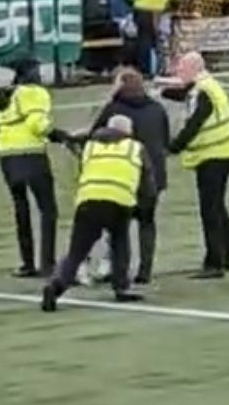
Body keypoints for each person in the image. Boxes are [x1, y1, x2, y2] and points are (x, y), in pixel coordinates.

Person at [41, 115, 153, 311]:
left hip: (88, 200)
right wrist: (144, 206)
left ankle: (56, 286)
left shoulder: (91, 146)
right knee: (120, 244)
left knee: (76, 252)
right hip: (119, 201)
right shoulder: (135, 147)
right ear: (128, 132)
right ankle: (121, 287)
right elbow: (147, 181)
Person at [80, 67, 170, 285]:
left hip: (123, 175)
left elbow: (96, 136)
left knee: (117, 225)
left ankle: (115, 268)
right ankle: (145, 270)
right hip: (153, 174)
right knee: (147, 223)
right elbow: (165, 140)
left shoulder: (114, 109)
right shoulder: (157, 109)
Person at [163, 51, 229, 278]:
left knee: (210, 209)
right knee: (218, 205)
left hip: (214, 154)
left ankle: (214, 262)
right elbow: (185, 95)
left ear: (193, 69)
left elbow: (195, 124)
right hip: (225, 150)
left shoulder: (203, 92)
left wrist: (172, 147)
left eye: (181, 69)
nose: (177, 73)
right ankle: (228, 254)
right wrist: (164, 91)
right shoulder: (206, 85)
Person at [0, 57, 58, 277]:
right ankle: (47, 263)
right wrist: (59, 135)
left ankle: (27, 262)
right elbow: (36, 124)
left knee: (22, 210)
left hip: (7, 156)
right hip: (31, 154)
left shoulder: (6, 95)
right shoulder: (34, 93)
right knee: (48, 209)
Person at [127, 0, 171, 77]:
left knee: (144, 40)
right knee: (155, 40)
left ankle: (145, 69)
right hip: (158, 8)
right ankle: (159, 68)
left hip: (144, 8)